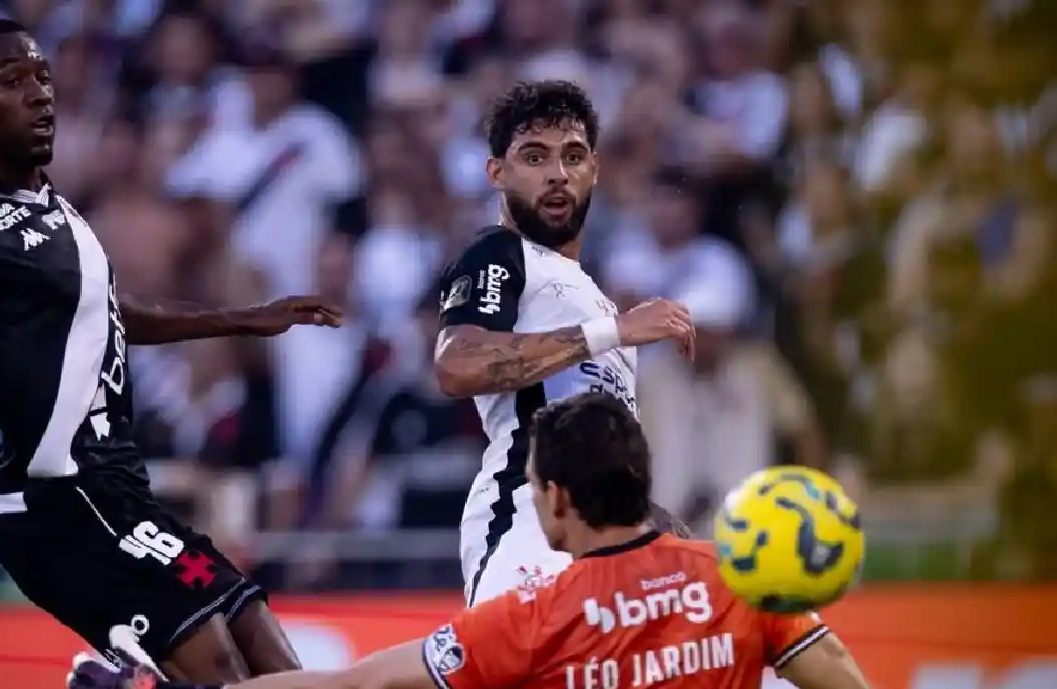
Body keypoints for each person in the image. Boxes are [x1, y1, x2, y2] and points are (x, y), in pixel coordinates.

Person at [0, 18, 342, 684]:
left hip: (120, 491)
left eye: (43, 76)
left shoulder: (54, 208)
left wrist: (237, 318)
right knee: (218, 665)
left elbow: (105, 316)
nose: (39, 94)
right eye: (12, 80)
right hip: (56, 504)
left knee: (267, 647)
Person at [68, 392, 872, 689]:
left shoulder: (532, 616)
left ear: (556, 498)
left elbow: (356, 685)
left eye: (529, 481)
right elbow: (840, 679)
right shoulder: (736, 576)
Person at [431, 80, 696, 606]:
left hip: (606, 537)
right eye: (534, 157)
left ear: (594, 169)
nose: (557, 174)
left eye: (572, 156)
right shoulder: (500, 252)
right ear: (497, 173)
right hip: (528, 518)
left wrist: (661, 529)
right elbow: (456, 365)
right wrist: (613, 332)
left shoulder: (591, 295)